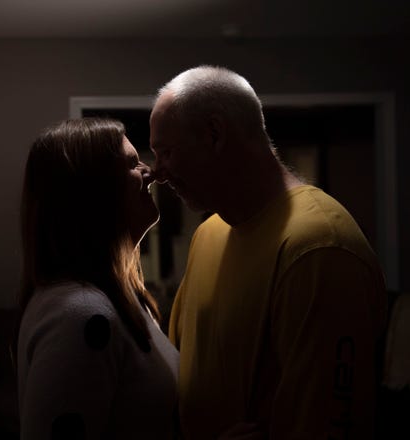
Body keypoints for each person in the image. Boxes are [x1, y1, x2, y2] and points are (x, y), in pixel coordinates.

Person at [149, 65, 387, 439]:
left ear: (214, 134)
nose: (157, 172)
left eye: (166, 152)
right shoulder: (208, 234)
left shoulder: (319, 247)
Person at [16, 118, 179, 440]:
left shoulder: (120, 298)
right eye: (132, 164)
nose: (152, 172)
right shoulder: (80, 314)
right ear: (94, 192)